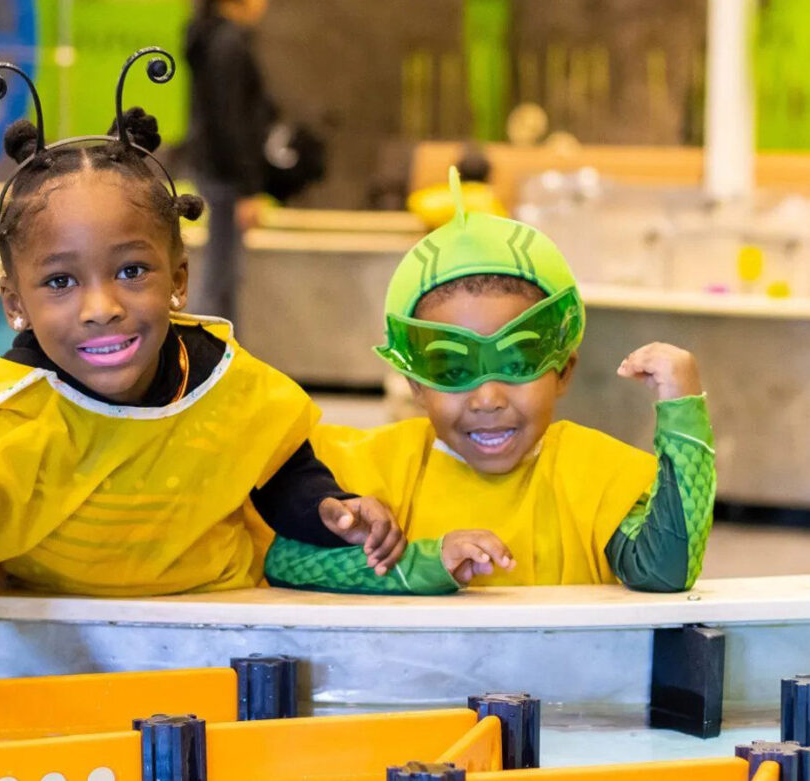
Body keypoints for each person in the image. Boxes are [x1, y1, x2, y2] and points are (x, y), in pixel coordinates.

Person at [0, 62, 404, 781]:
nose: (100, 306)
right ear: (13, 301)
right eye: (60, 281)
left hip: (224, 643)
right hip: (59, 677)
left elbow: (278, 467)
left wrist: (330, 509)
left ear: (179, 277)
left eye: (132, 270)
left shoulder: (225, 381)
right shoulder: (2, 423)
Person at [265, 165, 715, 595]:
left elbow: (664, 571)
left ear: (563, 372)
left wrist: (682, 412)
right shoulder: (375, 474)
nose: (487, 398)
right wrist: (427, 563)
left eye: (517, 364)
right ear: (417, 385)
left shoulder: (589, 475)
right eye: (453, 371)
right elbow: (284, 563)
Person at [185, 0, 272, 323]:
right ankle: (204, 355)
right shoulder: (228, 43)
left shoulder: (211, 38)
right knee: (219, 274)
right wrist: (248, 188)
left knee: (222, 273)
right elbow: (230, 119)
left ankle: (219, 352)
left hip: (215, 168)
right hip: (225, 175)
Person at [407, 143, 507, 229]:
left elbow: (415, 203)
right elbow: (501, 224)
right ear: (488, 175)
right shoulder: (489, 200)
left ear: (458, 173)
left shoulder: (440, 195)